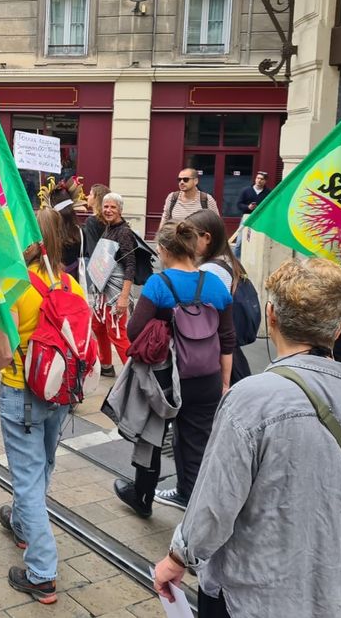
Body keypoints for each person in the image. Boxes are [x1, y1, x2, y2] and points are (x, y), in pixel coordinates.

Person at [153, 258, 341, 618]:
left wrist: (179, 557)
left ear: (271, 316)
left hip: (248, 597)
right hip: (334, 598)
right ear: (337, 330)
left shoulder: (249, 398)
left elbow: (216, 500)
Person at [0, 208, 86, 604]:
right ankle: (21, 523)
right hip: (60, 392)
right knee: (43, 465)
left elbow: (4, 351)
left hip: (23, 391)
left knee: (27, 480)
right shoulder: (70, 283)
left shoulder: (15, 284)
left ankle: (41, 572)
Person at [115, 221, 235, 515]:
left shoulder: (159, 284)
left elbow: (134, 332)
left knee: (153, 436)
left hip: (167, 378)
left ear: (163, 250)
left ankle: (142, 497)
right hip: (207, 377)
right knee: (197, 441)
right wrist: (224, 381)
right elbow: (227, 338)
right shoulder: (216, 284)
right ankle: (191, 500)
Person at [187, 209, 253, 385]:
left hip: (217, 352)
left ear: (207, 238)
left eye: (190, 237)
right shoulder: (229, 261)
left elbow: (203, 315)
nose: (186, 243)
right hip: (229, 349)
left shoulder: (210, 271)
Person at [91, 193, 136, 378]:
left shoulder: (124, 232)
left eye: (113, 207)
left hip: (116, 292)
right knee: (98, 326)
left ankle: (134, 375)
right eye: (106, 206)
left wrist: (124, 298)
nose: (108, 210)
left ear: (120, 210)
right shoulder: (109, 228)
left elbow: (130, 265)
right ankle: (106, 365)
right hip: (104, 290)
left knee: (117, 332)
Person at [82, 183, 110, 259]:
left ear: (96, 199)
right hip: (107, 259)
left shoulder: (91, 221)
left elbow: (92, 247)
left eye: (90, 194)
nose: (87, 197)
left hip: (94, 261)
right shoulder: (108, 218)